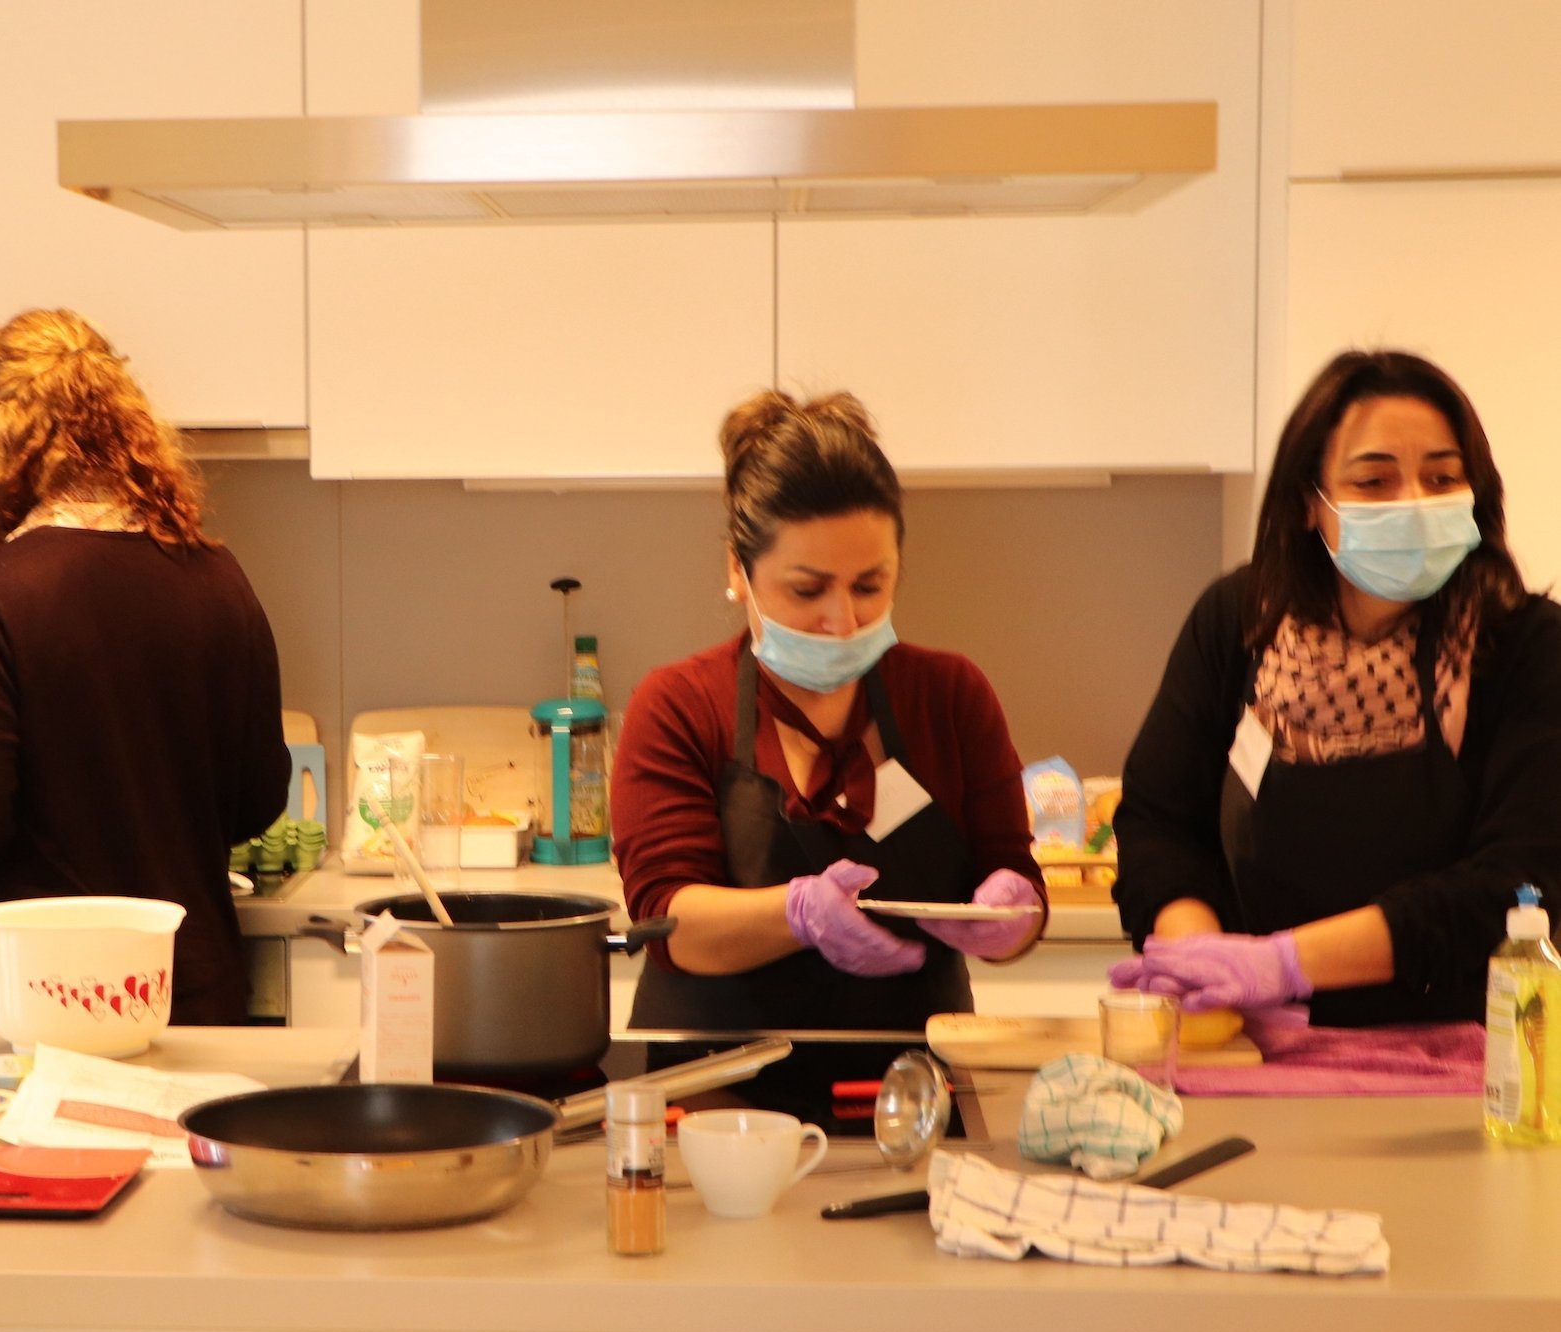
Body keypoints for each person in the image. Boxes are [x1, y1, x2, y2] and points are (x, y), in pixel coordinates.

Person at [1110, 350, 1561, 1027]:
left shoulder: (1526, 645)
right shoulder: (1240, 621)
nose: (1413, 504)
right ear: (1308, 505)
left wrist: (1284, 964)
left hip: (1467, 1052)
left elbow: (1520, 879)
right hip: (1251, 1035)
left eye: (1441, 478)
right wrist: (1202, 956)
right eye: (1375, 481)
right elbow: (1160, 822)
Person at [0, 308, 289, 1067]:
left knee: (27, 1187)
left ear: (0, 438)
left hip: (33, 1004)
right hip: (185, 989)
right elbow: (257, 799)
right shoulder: (219, 580)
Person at [612, 390, 1046, 1031]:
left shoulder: (951, 697)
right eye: (807, 589)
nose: (843, 621)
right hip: (713, 1097)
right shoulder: (679, 706)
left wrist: (1011, 919)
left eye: (870, 586)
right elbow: (666, 920)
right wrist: (798, 915)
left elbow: (1015, 877)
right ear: (739, 569)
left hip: (914, 1089)